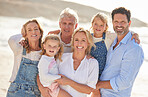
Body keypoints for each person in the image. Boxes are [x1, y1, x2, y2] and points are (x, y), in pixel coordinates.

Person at [94, 7, 144, 97]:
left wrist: (99, 85)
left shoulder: (133, 48)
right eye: (116, 22)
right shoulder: (113, 41)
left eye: (123, 22)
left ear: (129, 23)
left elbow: (124, 81)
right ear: (112, 23)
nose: (119, 25)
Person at [55, 27, 99, 97]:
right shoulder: (61, 58)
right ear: (72, 42)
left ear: (88, 43)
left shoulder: (93, 63)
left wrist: (68, 82)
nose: (79, 43)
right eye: (76, 40)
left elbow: (89, 90)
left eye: (83, 40)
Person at [6, 19, 43, 97]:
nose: (33, 32)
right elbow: (11, 39)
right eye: (29, 30)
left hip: (35, 93)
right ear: (25, 34)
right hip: (16, 91)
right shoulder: (19, 49)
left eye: (36, 29)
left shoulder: (44, 53)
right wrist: (22, 36)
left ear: (40, 33)